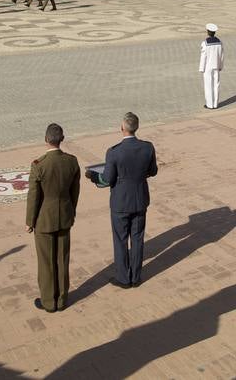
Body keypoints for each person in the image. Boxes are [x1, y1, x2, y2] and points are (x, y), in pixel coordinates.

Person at [86, 112, 157, 288]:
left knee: (120, 239)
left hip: (120, 202)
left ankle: (123, 278)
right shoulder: (148, 147)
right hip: (140, 199)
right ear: (137, 127)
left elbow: (107, 179)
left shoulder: (114, 152)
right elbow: (153, 171)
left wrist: (93, 177)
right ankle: (136, 276)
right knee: (138, 237)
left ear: (122, 128)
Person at [25, 123, 80, 312]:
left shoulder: (38, 165)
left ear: (46, 140)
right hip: (65, 215)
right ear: (61, 139)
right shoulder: (72, 161)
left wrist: (29, 222)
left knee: (46, 261)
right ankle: (62, 299)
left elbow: (33, 197)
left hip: (43, 219)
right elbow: (75, 191)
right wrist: (71, 211)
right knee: (62, 259)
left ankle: (49, 301)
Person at [199, 22, 224, 109]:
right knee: (216, 84)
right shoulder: (220, 42)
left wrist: (201, 68)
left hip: (208, 67)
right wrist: (220, 66)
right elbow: (221, 55)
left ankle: (209, 104)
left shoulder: (205, 43)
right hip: (216, 66)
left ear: (208, 32)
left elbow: (203, 57)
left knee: (208, 85)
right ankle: (215, 104)